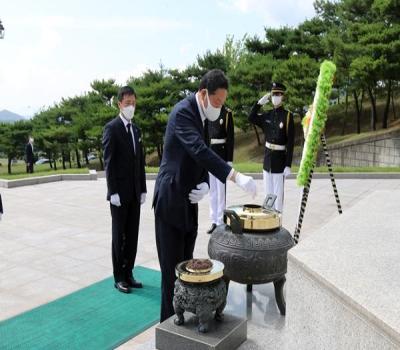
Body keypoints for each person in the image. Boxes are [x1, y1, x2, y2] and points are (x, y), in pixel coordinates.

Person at [153, 69, 257, 322]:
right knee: (172, 269)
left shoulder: (202, 116)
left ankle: (184, 319)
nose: (220, 108)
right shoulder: (183, 112)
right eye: (217, 101)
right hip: (171, 196)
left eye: (223, 102)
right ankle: (168, 325)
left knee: (187, 265)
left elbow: (200, 156)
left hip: (188, 197)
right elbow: (198, 150)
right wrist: (235, 176)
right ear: (203, 94)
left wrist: (204, 184)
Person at [102, 86, 147, 294]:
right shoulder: (112, 128)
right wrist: (113, 192)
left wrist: (143, 188)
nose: (131, 106)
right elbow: (109, 163)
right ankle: (118, 277)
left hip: (135, 193)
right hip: (119, 194)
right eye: (127, 103)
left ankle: (129, 273)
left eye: (133, 103)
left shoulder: (136, 130)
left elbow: (140, 163)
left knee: (132, 234)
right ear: (119, 104)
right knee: (119, 235)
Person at [248, 82, 294, 212]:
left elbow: (290, 143)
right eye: (273, 94)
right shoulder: (267, 115)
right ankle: (269, 221)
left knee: (278, 197)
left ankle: (278, 222)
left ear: (283, 96)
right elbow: (251, 118)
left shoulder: (288, 116)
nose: (275, 97)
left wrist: (288, 165)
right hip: (267, 161)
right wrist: (258, 104)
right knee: (268, 196)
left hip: (280, 161)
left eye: (278, 94)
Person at [206, 105, 234, 234]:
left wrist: (229, 160)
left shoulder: (227, 113)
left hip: (222, 155)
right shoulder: (209, 112)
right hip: (210, 153)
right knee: (212, 191)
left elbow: (231, 138)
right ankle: (213, 220)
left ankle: (221, 221)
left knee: (221, 190)